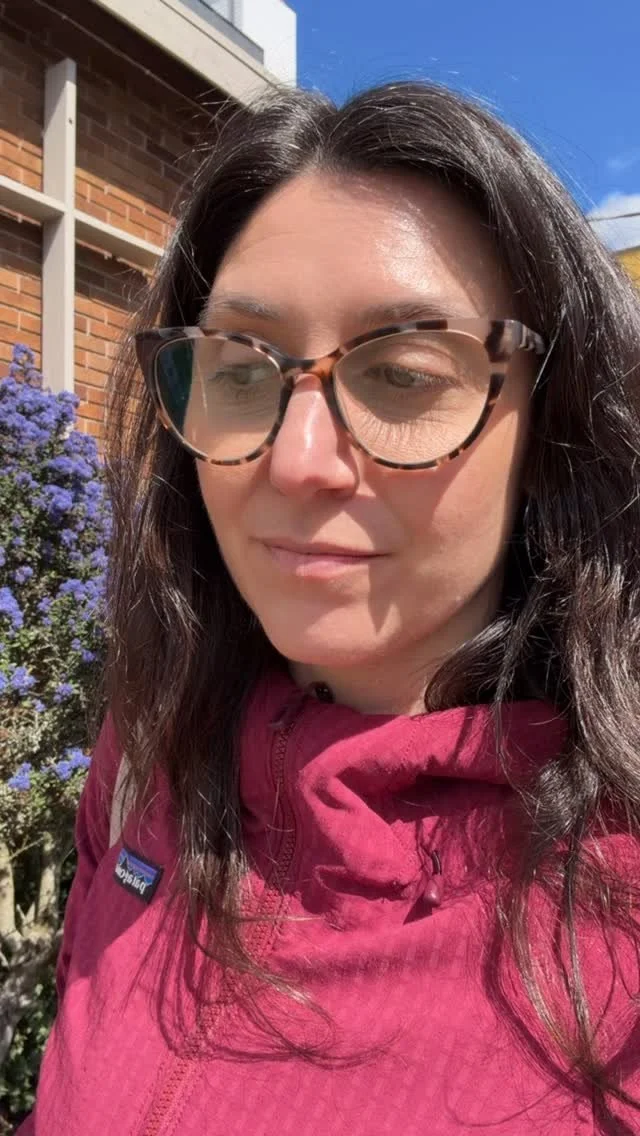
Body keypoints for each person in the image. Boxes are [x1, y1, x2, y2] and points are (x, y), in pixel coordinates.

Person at [19, 80, 640, 1135]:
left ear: (553, 431)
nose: (296, 460)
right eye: (238, 369)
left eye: (402, 374)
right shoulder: (148, 754)